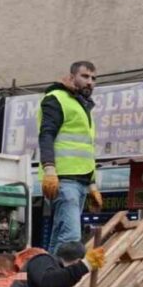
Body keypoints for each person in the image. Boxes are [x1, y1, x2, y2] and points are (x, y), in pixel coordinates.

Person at [39, 61, 102, 257]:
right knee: (71, 238)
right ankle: (62, 276)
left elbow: (86, 149)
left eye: (93, 78)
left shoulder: (83, 106)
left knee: (60, 235)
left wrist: (92, 185)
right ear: (72, 77)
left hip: (80, 181)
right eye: (85, 76)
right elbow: (46, 135)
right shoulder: (56, 98)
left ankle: (48, 273)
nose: (90, 82)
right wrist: (49, 169)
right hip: (63, 179)